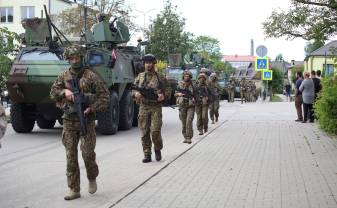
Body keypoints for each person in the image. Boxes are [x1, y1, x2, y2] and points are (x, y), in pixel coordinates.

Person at [50, 44, 109, 200]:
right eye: (71, 58)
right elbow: (53, 92)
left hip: (86, 120)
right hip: (69, 121)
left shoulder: (91, 76)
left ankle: (92, 177)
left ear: (81, 58)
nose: (74, 61)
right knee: (70, 156)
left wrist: (92, 108)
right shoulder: (64, 76)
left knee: (87, 153)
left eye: (77, 58)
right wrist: (65, 91)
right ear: (68, 59)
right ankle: (74, 188)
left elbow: (104, 96)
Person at [132, 54, 165, 163]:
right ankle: (147, 154)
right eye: (146, 63)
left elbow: (168, 89)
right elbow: (133, 89)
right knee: (144, 131)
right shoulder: (140, 76)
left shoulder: (160, 77)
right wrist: (136, 93)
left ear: (153, 63)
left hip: (156, 107)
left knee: (155, 131)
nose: (148, 65)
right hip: (143, 107)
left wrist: (163, 95)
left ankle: (157, 148)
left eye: (150, 62)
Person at [175, 70, 196, 144]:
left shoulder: (193, 85)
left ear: (190, 77)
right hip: (182, 105)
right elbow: (175, 94)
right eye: (185, 76)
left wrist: (194, 98)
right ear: (183, 76)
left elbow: (197, 93)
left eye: (188, 76)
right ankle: (185, 136)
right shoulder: (180, 84)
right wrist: (179, 94)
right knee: (183, 123)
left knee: (188, 122)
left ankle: (189, 137)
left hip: (191, 106)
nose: (186, 77)